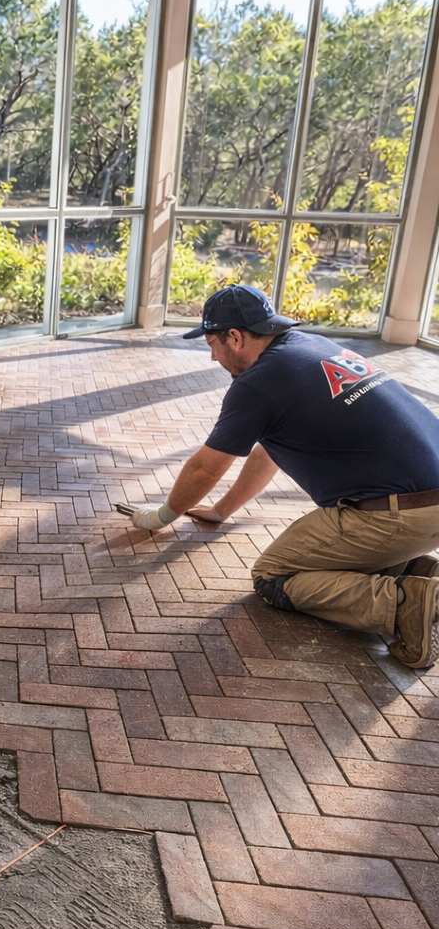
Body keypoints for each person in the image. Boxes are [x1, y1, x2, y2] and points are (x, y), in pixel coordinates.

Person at [129, 284, 439, 669]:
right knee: (328, 554)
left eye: (212, 343)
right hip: (425, 505)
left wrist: (162, 516)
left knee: (274, 576)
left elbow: (205, 468)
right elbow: (269, 450)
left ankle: (403, 604)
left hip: (394, 514)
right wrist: (222, 510)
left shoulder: (259, 382)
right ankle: (421, 571)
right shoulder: (313, 347)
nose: (212, 356)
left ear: (236, 337)